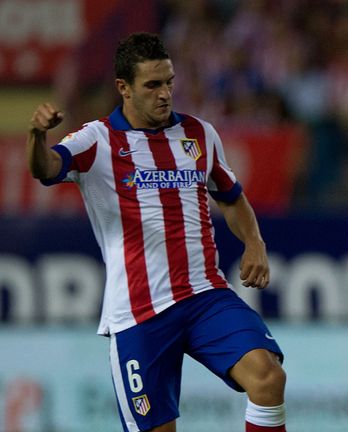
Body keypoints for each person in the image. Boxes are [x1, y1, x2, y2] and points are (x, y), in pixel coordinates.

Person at [26, 33, 287, 432]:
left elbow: (231, 197)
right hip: (139, 313)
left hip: (205, 296)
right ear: (124, 88)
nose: (165, 94)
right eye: (152, 85)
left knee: (268, 377)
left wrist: (254, 242)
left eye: (169, 82)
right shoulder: (96, 141)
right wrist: (36, 136)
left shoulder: (199, 135)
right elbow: (46, 169)